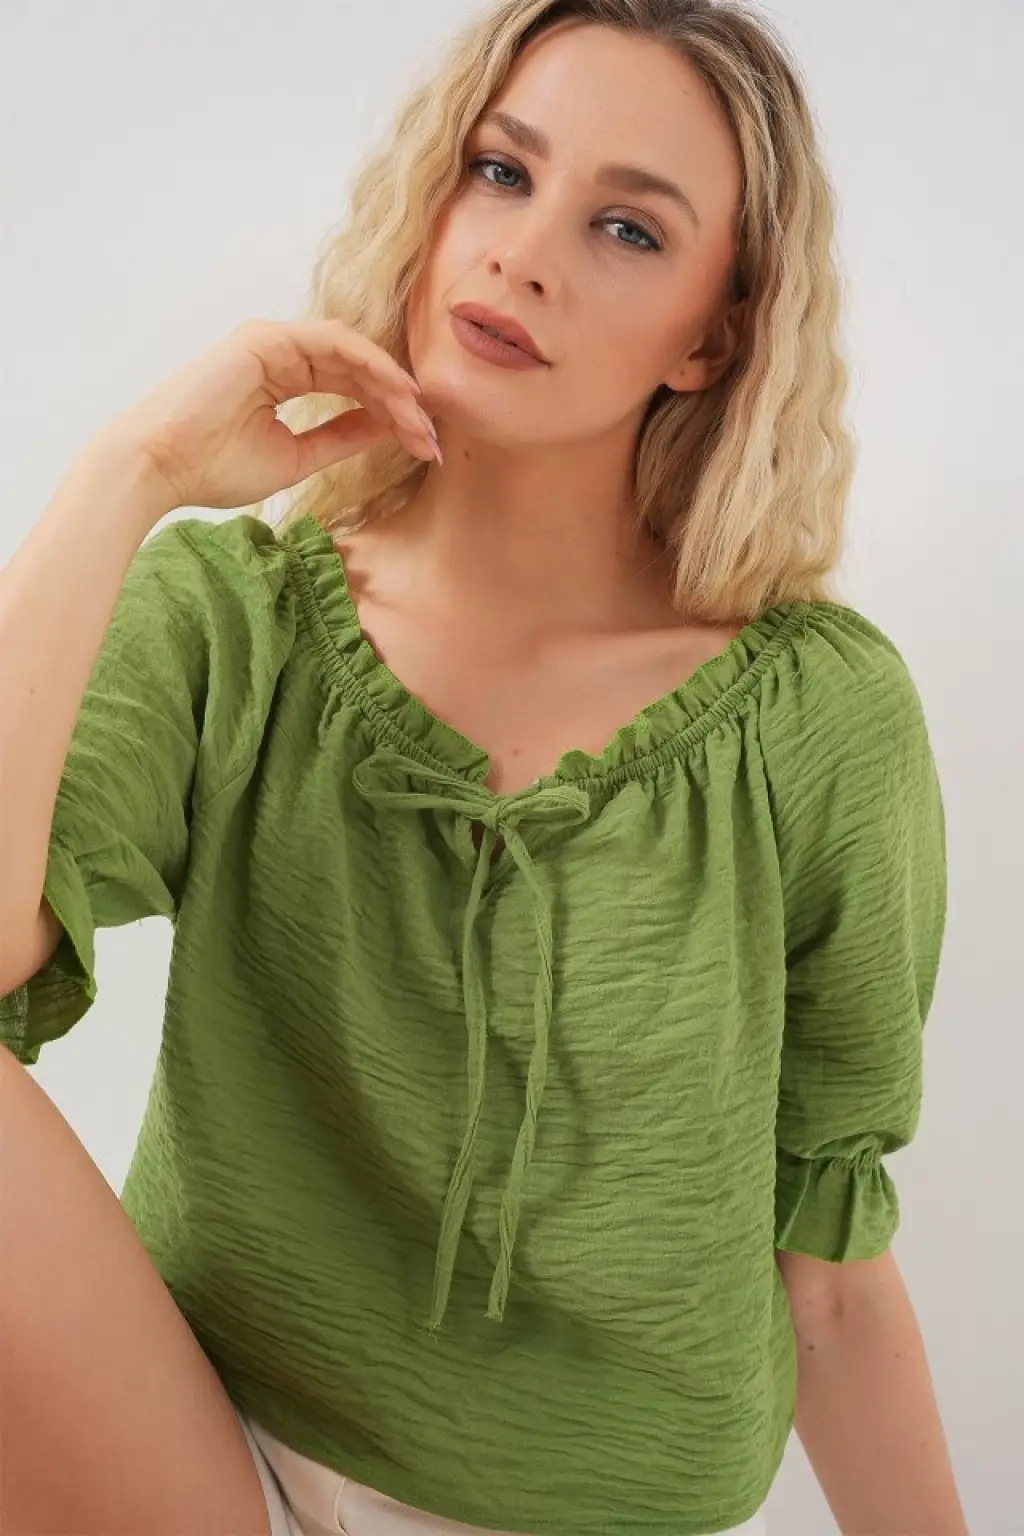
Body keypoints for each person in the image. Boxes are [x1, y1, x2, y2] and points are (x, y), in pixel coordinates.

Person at [0, 0, 968, 1533]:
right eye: (502, 172)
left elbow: (833, 1272)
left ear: (713, 336)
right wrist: (131, 475)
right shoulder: (236, 624)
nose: (523, 255)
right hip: (195, 1457)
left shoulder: (818, 721)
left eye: (628, 230)